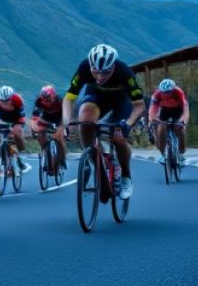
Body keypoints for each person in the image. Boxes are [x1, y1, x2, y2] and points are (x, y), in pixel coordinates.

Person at [61, 44, 145, 200]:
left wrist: (128, 123)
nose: (100, 77)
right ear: (90, 66)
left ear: (113, 66)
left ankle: (126, 177)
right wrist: (68, 121)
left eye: (106, 72)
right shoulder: (84, 68)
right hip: (97, 98)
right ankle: (91, 156)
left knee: (118, 136)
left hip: (121, 102)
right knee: (84, 119)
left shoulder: (124, 72)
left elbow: (139, 105)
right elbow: (69, 98)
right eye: (95, 72)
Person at [0, 85, 28, 174]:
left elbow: (22, 117)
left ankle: (20, 155)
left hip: (16, 118)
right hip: (2, 119)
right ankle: (1, 154)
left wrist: (17, 127)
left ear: (11, 98)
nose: (4, 103)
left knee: (17, 133)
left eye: (7, 100)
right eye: (2, 101)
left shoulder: (17, 100)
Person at [148, 78, 190, 165]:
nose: (166, 94)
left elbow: (186, 110)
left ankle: (181, 154)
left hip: (178, 110)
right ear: (160, 91)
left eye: (168, 92)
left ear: (173, 89)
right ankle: (163, 155)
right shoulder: (157, 94)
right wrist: (154, 119)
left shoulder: (179, 92)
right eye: (164, 92)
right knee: (161, 129)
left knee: (180, 129)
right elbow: (152, 111)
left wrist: (183, 122)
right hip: (165, 110)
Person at [30, 84, 68, 173]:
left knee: (58, 138)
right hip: (46, 118)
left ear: (53, 96)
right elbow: (35, 116)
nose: (47, 102)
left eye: (49, 99)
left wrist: (61, 127)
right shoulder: (39, 101)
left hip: (59, 118)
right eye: (45, 100)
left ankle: (62, 159)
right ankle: (45, 150)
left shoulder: (60, 101)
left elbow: (65, 116)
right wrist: (33, 127)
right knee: (39, 133)